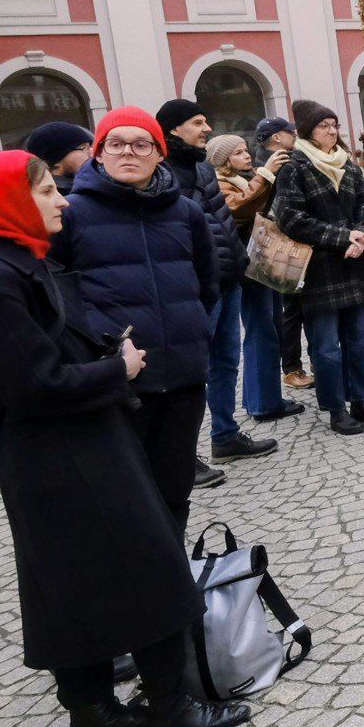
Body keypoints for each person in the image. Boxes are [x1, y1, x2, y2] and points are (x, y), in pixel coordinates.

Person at [0, 150, 248, 727]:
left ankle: (95, 713)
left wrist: (104, 351)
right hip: (57, 453)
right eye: (44, 192)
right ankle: (170, 703)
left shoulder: (16, 263)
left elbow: (50, 350)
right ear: (6, 204)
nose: (61, 200)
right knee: (144, 561)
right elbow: (34, 386)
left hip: (76, 441)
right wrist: (117, 369)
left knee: (77, 578)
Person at [50, 107, 223, 509]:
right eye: (116, 144)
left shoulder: (187, 212)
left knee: (174, 489)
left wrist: (194, 331)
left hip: (182, 375)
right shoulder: (71, 213)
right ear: (98, 153)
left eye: (141, 144)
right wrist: (99, 349)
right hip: (117, 380)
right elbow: (59, 295)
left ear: (159, 153)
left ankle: (173, 571)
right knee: (125, 499)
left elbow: (206, 283)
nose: (128, 153)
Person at [272, 100, 364, 435]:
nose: (331, 131)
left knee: (360, 337)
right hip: (319, 270)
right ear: (309, 130)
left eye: (334, 124)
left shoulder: (349, 165)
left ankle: (360, 400)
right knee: (325, 345)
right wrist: (342, 237)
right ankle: (336, 408)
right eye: (324, 125)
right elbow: (291, 218)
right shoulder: (295, 166)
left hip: (355, 264)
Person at [156, 99, 265, 463]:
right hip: (195, 287)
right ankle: (184, 456)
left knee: (225, 361)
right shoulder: (161, 172)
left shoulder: (203, 167)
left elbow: (221, 222)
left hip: (228, 277)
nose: (206, 128)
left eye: (206, 121)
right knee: (193, 370)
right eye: (197, 122)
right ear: (174, 128)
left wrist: (239, 261)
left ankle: (225, 436)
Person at [217, 133, 304, 429]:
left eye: (245, 150)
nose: (247, 156)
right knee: (261, 328)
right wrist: (266, 174)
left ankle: (264, 398)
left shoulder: (248, 177)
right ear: (223, 159)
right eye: (239, 153)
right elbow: (238, 208)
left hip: (264, 258)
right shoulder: (222, 183)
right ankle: (264, 403)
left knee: (272, 326)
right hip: (248, 264)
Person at [254, 117, 312, 392]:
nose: (295, 135)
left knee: (296, 307)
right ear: (276, 137)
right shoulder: (273, 162)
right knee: (293, 308)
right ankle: (291, 367)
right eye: (290, 131)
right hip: (281, 242)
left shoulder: (280, 158)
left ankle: (297, 365)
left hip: (289, 241)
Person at [25, 122, 95, 194]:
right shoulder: (65, 198)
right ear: (56, 160)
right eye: (83, 148)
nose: (92, 153)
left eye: (90, 146)